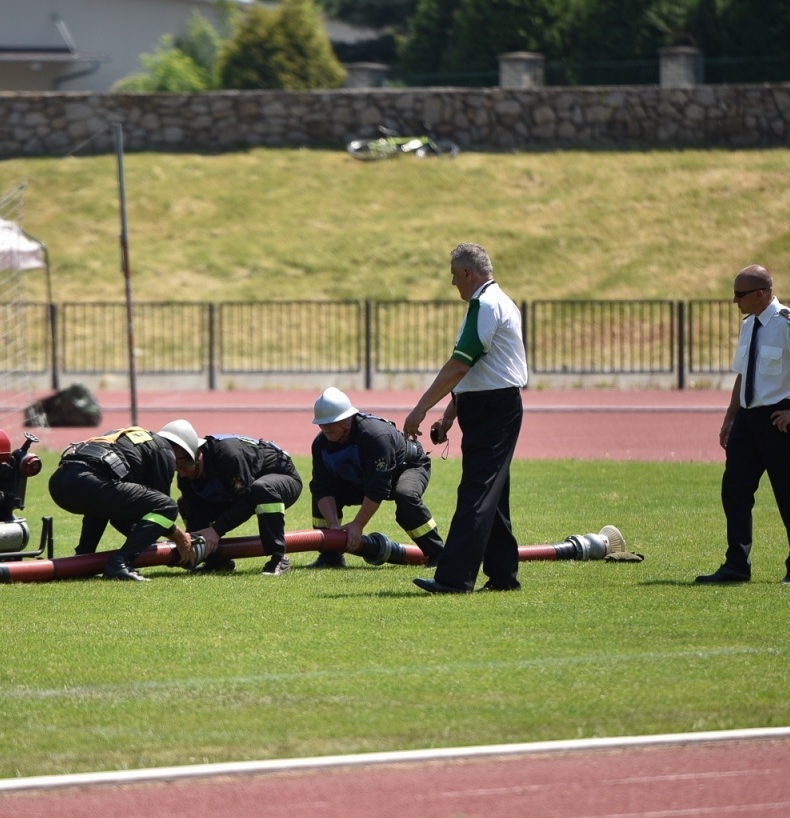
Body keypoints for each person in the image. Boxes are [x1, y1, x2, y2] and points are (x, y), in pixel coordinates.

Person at [404, 242, 529, 594]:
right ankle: (503, 576)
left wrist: (421, 407)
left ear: (467, 273)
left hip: (493, 409)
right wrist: (449, 416)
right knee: (493, 493)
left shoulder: (484, 305)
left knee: (476, 491)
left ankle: (454, 578)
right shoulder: (498, 302)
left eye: (454, 277)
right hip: (491, 405)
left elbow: (460, 364)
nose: (453, 284)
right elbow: (480, 371)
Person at [696, 265, 790, 587]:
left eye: (739, 295)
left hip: (779, 420)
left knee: (789, 495)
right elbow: (743, 375)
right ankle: (736, 565)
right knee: (735, 491)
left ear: (760, 293)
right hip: (747, 419)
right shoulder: (750, 325)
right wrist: (731, 417)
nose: (734, 301)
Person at [47, 422, 202, 581]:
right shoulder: (164, 449)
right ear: (178, 448)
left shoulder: (133, 437)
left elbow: (124, 512)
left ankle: (83, 559)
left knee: (103, 504)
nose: (179, 466)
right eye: (184, 459)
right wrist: (181, 539)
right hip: (89, 482)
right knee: (167, 506)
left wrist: (148, 540)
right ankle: (120, 563)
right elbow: (161, 513)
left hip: (59, 483)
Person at [310, 387, 444, 569]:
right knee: (321, 497)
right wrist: (333, 526)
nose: (325, 428)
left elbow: (377, 488)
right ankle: (330, 556)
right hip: (364, 478)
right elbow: (322, 487)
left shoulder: (375, 436)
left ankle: (437, 554)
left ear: (347, 420)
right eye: (322, 423)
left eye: (331, 422)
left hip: (407, 468)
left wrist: (358, 525)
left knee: (405, 496)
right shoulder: (320, 445)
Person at [175, 426, 304, 576]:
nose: (181, 473)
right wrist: (192, 546)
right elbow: (193, 512)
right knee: (184, 503)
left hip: (282, 480)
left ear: (197, 456)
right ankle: (216, 561)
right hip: (245, 491)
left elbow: (246, 500)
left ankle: (279, 558)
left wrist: (216, 530)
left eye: (183, 466)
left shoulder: (229, 456)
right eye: (176, 467)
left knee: (261, 489)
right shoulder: (185, 476)